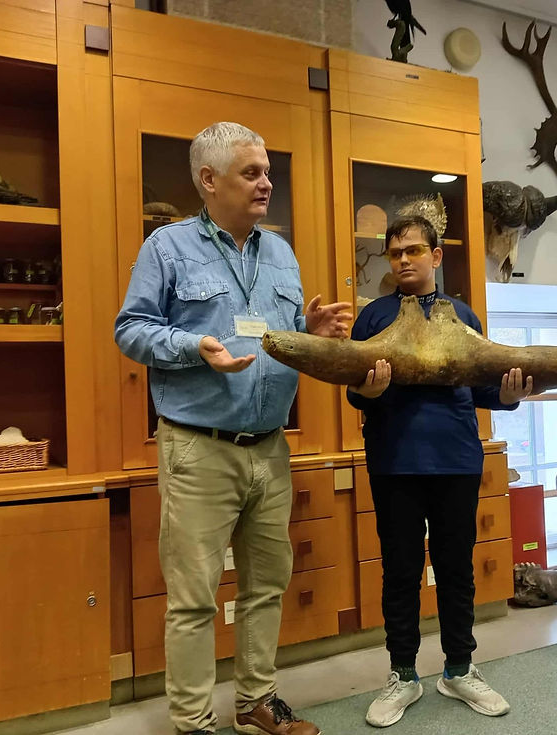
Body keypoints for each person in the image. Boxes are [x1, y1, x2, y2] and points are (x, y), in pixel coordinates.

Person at [115, 122, 350, 735]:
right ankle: (194, 722)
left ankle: (256, 703)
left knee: (266, 585)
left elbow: (280, 334)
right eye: (251, 173)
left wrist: (309, 333)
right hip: (199, 448)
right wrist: (195, 347)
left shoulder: (280, 252)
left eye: (267, 171)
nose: (266, 183)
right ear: (209, 180)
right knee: (194, 597)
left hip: (270, 447)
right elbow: (131, 329)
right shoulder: (167, 248)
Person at [346, 215, 532, 727]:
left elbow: (483, 387)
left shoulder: (463, 316)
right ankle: (402, 675)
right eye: (395, 253)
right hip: (394, 463)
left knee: (456, 569)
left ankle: (459, 669)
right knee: (401, 571)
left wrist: (509, 395)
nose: (403, 259)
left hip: (456, 461)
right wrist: (368, 391)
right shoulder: (372, 318)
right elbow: (354, 391)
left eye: (412, 250)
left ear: (435, 255)